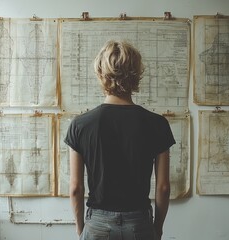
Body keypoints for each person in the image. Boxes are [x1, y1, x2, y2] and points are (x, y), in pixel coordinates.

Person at [64, 40, 175, 240]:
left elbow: (75, 188)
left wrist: (82, 230)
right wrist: (157, 229)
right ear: (136, 74)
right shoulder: (157, 124)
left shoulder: (80, 125)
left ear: (101, 73)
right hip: (139, 224)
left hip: (97, 224)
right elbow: (163, 187)